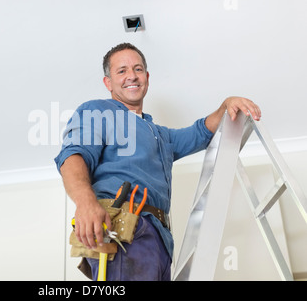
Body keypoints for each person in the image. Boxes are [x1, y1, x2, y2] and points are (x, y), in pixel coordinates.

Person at [54, 42, 261, 281]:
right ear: (108, 83)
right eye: (121, 71)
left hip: (161, 242)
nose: (132, 75)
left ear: (147, 77)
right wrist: (86, 204)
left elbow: (201, 132)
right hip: (123, 230)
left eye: (138, 69)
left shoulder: (159, 135)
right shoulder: (99, 112)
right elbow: (72, 156)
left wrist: (226, 105)